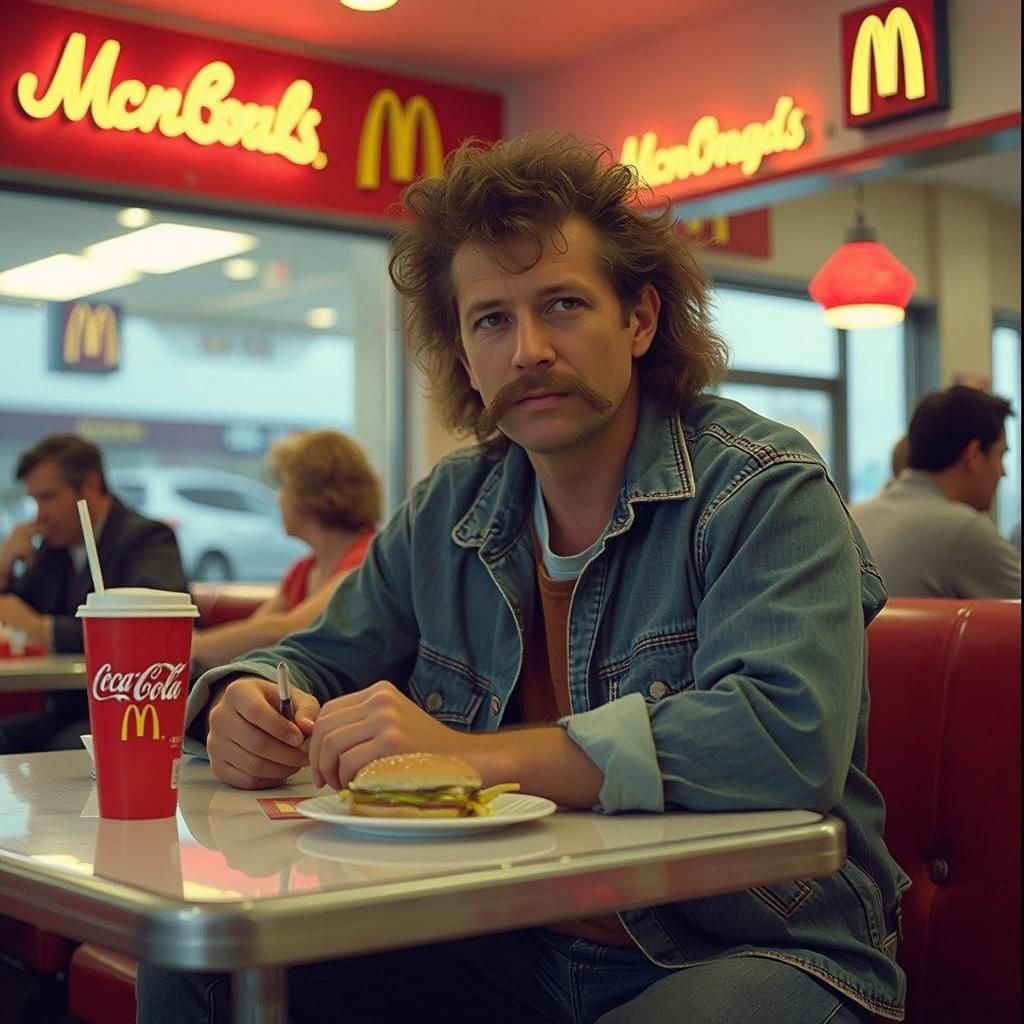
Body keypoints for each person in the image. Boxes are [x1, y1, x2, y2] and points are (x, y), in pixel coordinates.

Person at [138, 133, 907, 1024]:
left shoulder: (761, 485)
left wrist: (472, 758)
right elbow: (314, 655)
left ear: (640, 320)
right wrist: (246, 700)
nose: (528, 349)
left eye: (563, 305)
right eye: (491, 320)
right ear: (465, 355)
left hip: (748, 943)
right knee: (196, 964)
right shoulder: (451, 506)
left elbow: (783, 735)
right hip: (502, 936)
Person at [0, 435, 187, 752]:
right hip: (64, 712)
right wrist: (4, 568)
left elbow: (150, 630)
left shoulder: (148, 539)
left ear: (90, 484)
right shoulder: (54, 548)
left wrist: (42, 629)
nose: (39, 515)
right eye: (35, 501)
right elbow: (16, 612)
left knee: (61, 747)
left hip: (131, 715)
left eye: (48, 498)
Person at [189, 430, 380, 673]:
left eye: (283, 486)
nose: (278, 499)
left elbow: (285, 630)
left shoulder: (367, 559)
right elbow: (254, 633)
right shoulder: (303, 569)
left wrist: (192, 645)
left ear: (313, 492)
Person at [851, 386, 1021, 598]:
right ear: (974, 455)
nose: (1003, 472)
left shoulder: (852, 519)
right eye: (1001, 455)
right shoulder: (965, 531)